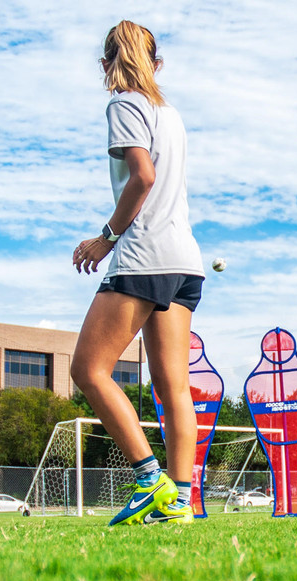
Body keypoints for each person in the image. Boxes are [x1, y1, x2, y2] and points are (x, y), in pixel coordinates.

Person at [71, 20, 204, 525]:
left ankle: (150, 481)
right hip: (185, 261)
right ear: (158, 64)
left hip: (144, 254)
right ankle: (181, 503)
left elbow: (143, 176)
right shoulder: (170, 114)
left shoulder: (124, 103)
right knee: (174, 389)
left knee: (88, 370)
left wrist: (105, 238)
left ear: (107, 64)